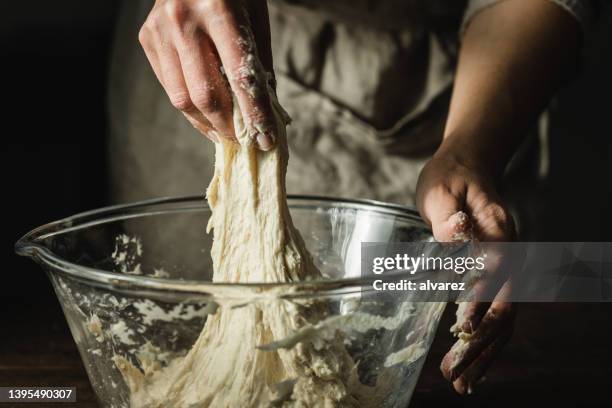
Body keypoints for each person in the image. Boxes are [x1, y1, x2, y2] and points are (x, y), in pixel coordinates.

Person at [109, 0, 593, 395]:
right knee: (195, 316)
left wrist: (469, 153)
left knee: (428, 331)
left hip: (467, 83)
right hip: (198, 61)